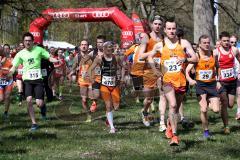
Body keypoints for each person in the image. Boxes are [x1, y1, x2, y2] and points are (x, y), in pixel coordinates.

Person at [147, 18, 197, 145]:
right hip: (167, 81)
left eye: (173, 28)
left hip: (180, 81)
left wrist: (184, 58)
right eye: (168, 29)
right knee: (173, 105)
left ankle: (170, 126)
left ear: (176, 29)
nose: (171, 31)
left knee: (176, 108)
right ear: (164, 30)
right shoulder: (160, 45)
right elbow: (149, 57)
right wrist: (155, 70)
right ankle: (175, 136)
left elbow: (195, 58)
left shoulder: (184, 43)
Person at [8, 32, 59, 131]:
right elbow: (14, 66)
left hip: (38, 80)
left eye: (29, 40)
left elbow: (49, 57)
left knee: (39, 103)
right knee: (29, 100)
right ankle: (34, 123)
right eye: (26, 41)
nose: (27, 42)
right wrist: (9, 73)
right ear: (23, 42)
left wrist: (56, 60)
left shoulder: (39, 50)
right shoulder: (20, 53)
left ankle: (43, 108)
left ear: (32, 41)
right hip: (27, 80)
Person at [186, 35, 220, 138]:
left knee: (216, 110)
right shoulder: (196, 56)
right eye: (204, 43)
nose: (207, 44)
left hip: (212, 84)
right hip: (200, 84)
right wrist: (190, 80)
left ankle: (209, 101)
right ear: (199, 44)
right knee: (204, 109)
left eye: (208, 43)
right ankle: (206, 131)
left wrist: (218, 79)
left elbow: (218, 67)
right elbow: (186, 70)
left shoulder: (213, 54)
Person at [88, 41, 125, 133]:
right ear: (104, 49)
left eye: (111, 47)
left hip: (114, 84)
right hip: (104, 85)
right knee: (108, 106)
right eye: (108, 47)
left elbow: (123, 67)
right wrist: (92, 79)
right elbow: (90, 69)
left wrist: (122, 78)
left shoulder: (116, 57)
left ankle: (109, 117)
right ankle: (112, 127)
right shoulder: (99, 58)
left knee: (116, 106)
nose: (110, 49)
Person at [137, 15, 166, 127]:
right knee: (149, 99)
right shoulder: (146, 37)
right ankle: (144, 111)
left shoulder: (164, 38)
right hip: (148, 70)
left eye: (159, 24)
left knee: (163, 96)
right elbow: (141, 55)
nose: (157, 26)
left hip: (162, 70)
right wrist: (153, 51)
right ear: (151, 25)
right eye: (155, 24)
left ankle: (163, 121)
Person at [213, 31, 239, 134]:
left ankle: (219, 104)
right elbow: (213, 67)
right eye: (224, 41)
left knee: (231, 105)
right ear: (220, 41)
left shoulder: (234, 50)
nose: (227, 42)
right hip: (221, 82)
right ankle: (226, 126)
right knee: (224, 102)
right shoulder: (216, 52)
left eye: (228, 41)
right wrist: (216, 80)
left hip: (232, 81)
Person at [71, 39, 95, 122]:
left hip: (91, 80)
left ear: (88, 47)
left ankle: (94, 103)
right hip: (82, 80)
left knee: (93, 97)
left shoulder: (92, 56)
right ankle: (88, 115)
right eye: (82, 44)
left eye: (85, 44)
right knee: (84, 100)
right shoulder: (77, 57)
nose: (84, 46)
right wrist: (72, 74)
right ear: (80, 46)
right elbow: (73, 68)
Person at [88, 35, 106, 112]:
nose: (99, 44)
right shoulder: (93, 52)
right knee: (96, 94)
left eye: (101, 42)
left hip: (106, 76)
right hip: (96, 76)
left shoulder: (109, 52)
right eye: (98, 42)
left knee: (105, 94)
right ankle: (95, 102)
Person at [1, 44, 14, 119]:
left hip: (9, 80)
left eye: (7, 49)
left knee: (7, 96)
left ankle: (6, 112)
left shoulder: (12, 59)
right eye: (4, 49)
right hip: (0, 80)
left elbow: (14, 69)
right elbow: (1, 64)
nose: (6, 50)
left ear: (9, 50)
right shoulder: (1, 58)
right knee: (1, 98)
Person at [230, 35, 240, 120]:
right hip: (228, 77)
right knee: (230, 103)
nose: (233, 44)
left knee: (239, 93)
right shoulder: (225, 50)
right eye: (231, 42)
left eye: (235, 42)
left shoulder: (238, 50)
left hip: (238, 74)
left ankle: (239, 112)